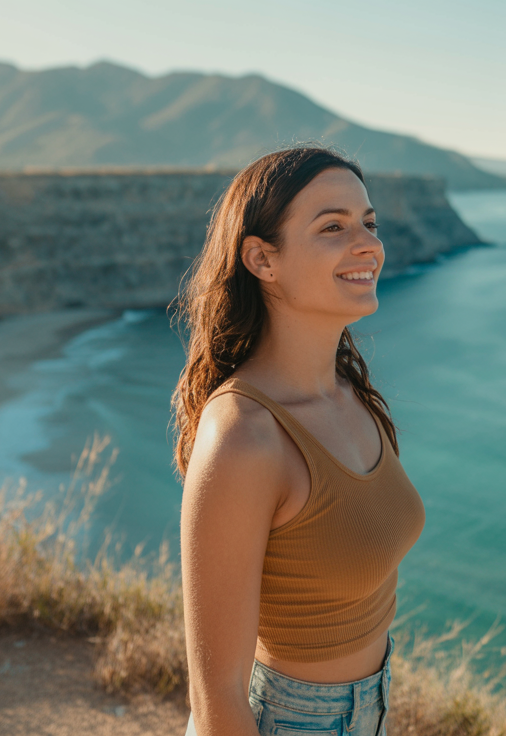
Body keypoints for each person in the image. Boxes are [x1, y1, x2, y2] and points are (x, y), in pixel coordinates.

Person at [171, 146, 427, 736]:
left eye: (369, 223)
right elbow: (215, 702)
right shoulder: (244, 437)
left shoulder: (350, 394)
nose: (369, 245)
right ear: (262, 258)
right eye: (333, 227)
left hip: (371, 708)